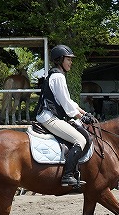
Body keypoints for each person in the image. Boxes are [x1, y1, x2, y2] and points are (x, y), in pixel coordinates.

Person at [36, 44, 94, 186]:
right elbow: (65, 103)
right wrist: (80, 117)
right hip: (50, 117)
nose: (71, 62)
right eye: (68, 59)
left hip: (50, 115)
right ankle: (67, 176)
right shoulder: (58, 77)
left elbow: (67, 100)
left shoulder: (56, 75)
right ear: (60, 59)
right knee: (80, 140)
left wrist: (82, 111)